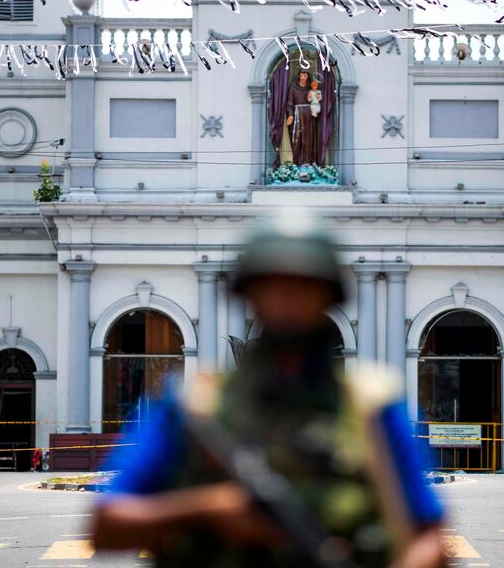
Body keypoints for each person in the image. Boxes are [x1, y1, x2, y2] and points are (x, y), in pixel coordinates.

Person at [93, 218, 447, 567]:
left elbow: (429, 535)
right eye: (272, 288)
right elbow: (107, 524)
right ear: (249, 296)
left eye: (303, 288)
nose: (287, 301)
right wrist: (206, 510)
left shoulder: (371, 404)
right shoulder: (195, 407)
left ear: (328, 297)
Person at [285, 69, 319, 166]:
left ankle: (307, 161)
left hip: (309, 115)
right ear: (299, 76)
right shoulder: (293, 87)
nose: (303, 77)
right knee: (296, 138)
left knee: (309, 139)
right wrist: (290, 114)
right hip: (297, 115)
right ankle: (295, 162)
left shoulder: (310, 88)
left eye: (305, 75)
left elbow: (315, 102)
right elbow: (290, 103)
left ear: (307, 76)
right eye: (302, 75)